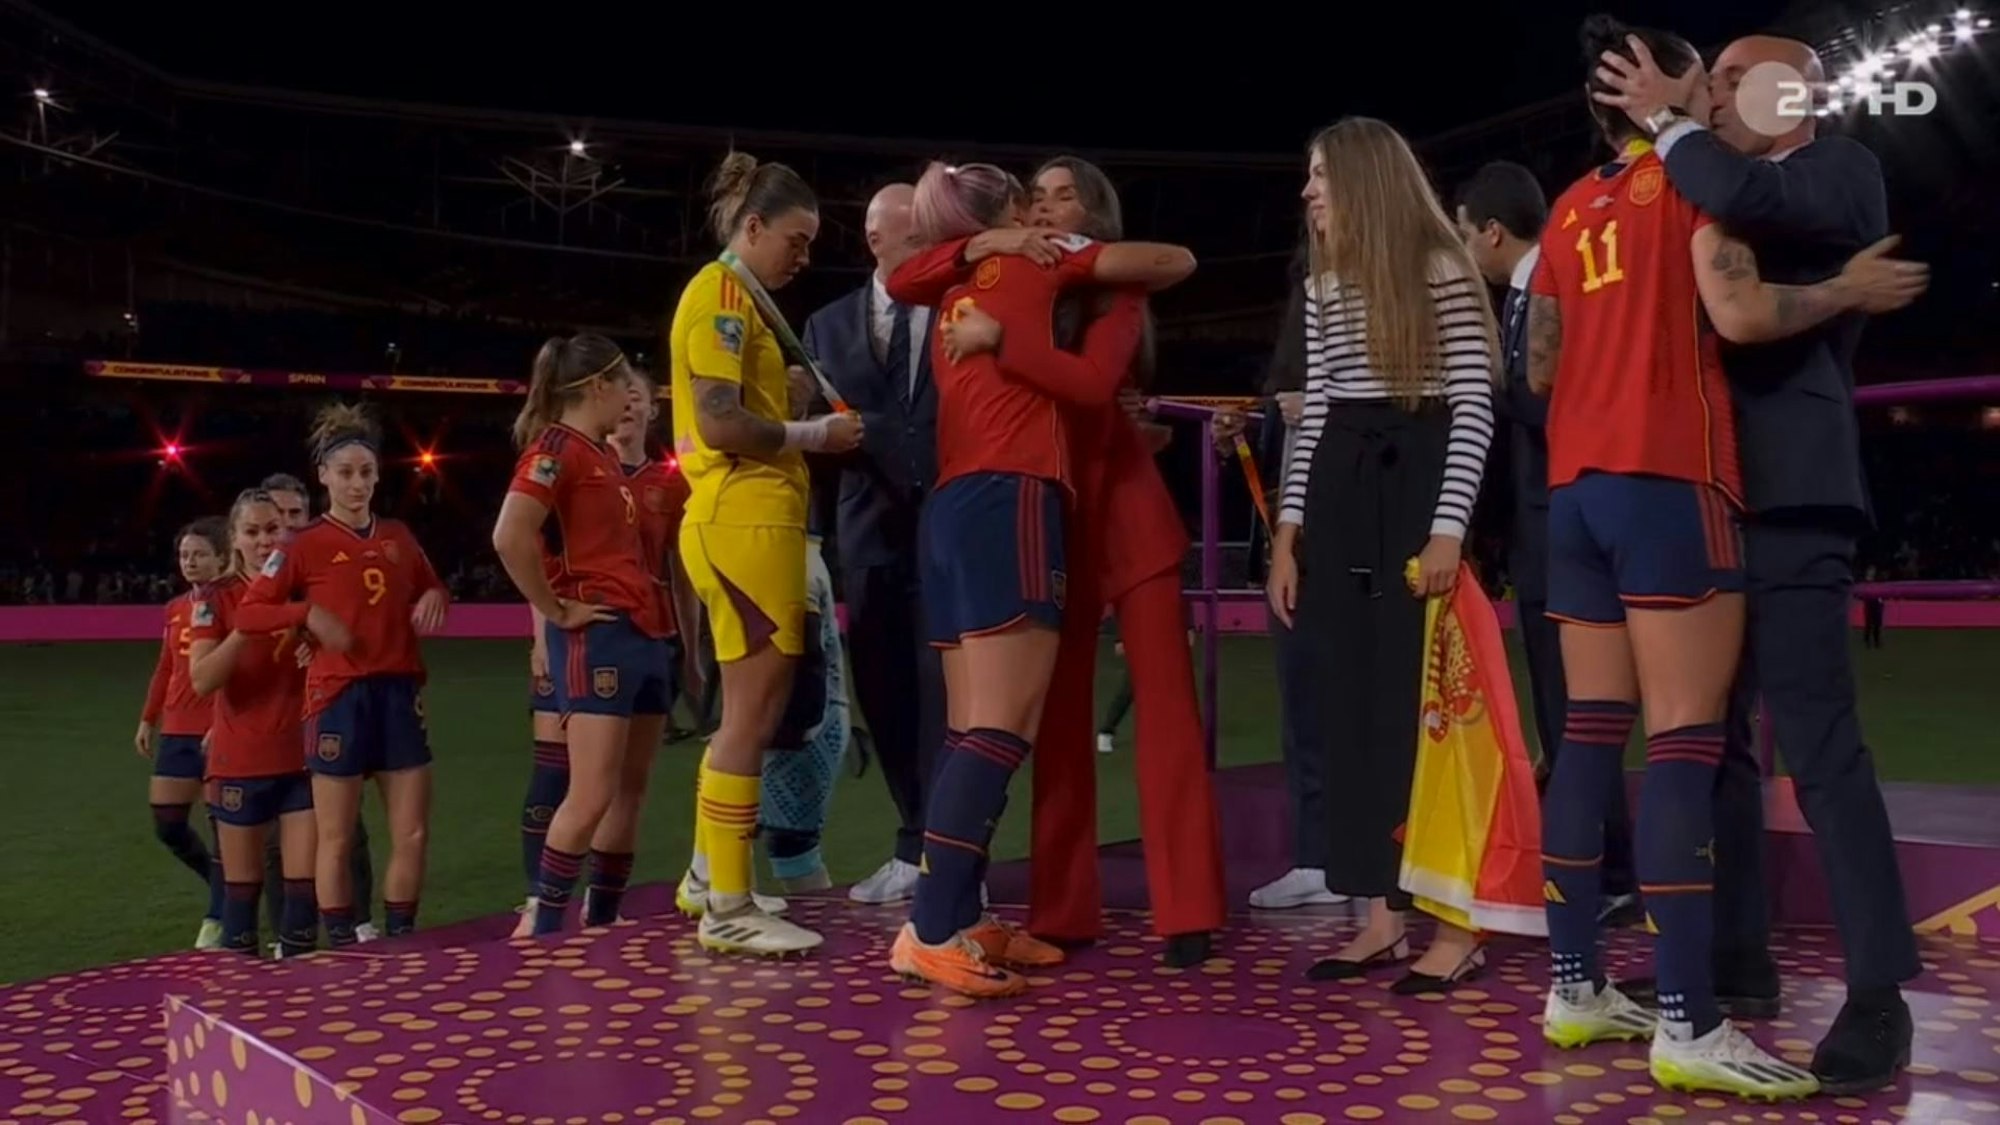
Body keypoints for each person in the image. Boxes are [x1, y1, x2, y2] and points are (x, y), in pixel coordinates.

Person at [1526, 15, 1924, 1099]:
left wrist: (1660, 121)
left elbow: (1744, 218)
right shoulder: (1678, 181)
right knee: (1706, 752)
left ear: (1804, 100)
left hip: (1782, 496)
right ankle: (1724, 965)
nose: (1719, 92)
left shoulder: (1830, 172)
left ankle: (1876, 993)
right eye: (1720, 76)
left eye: (1748, 78)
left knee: (1812, 740)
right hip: (1680, 490)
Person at [882, 160, 1196, 996]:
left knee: (967, 728)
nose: (1047, 208)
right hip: (1010, 495)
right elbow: (1176, 261)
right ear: (1017, 213)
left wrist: (978, 242)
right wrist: (1040, 245)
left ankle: (953, 913)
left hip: (952, 505)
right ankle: (933, 925)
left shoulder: (955, 279)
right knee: (1001, 728)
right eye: (1036, 198)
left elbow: (901, 270)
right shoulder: (1036, 260)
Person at [1263, 117, 1497, 993]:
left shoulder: (1440, 268)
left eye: (1320, 175)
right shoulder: (1328, 285)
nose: (1309, 191)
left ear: (1364, 179)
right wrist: (1290, 533)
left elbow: (1472, 406)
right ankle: (1377, 918)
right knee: (1348, 704)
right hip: (1338, 493)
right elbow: (1316, 406)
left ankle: (1452, 923)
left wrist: (1447, 530)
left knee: (1421, 711)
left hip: (1416, 484)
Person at [668, 152, 861, 957]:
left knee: (754, 709)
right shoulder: (718, 294)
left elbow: (738, 406)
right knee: (752, 711)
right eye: (796, 237)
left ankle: (710, 880)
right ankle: (729, 905)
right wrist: (814, 432)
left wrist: (788, 398)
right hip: (744, 519)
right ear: (752, 227)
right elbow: (718, 424)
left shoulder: (738, 299)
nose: (803, 255)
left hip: (756, 519)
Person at [1454, 160, 1640, 926]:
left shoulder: (1551, 286)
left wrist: (1477, 387)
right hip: (1543, 526)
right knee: (1563, 709)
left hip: (1564, 521)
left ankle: (1607, 870)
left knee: (1575, 708)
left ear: (1491, 232)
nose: (1465, 250)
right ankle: (1601, 866)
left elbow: (1550, 397)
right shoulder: (1528, 291)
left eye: (1465, 234)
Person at [237, 404, 450, 947]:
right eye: (345, 473)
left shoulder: (400, 535)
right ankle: (341, 945)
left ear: (378, 476)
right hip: (339, 697)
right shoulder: (300, 544)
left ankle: (401, 937)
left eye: (366, 473)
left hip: (400, 693)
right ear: (324, 476)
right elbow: (250, 613)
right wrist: (304, 613)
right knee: (333, 837)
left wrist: (432, 595)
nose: (357, 484)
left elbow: (433, 585)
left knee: (414, 833)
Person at [800, 183, 945, 908]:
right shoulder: (824, 327)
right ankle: (912, 835)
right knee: (885, 695)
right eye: (913, 239)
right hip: (868, 537)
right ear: (877, 240)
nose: (926, 251)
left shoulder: (957, 310)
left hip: (947, 530)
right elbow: (818, 444)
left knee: (944, 695)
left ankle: (941, 850)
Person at [494, 339, 667, 936]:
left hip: (642, 631)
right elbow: (510, 535)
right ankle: (541, 927)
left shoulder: (599, 457)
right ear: (597, 386)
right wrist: (554, 607)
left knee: (629, 793)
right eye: (623, 384)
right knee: (590, 792)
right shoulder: (554, 451)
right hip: (600, 636)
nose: (630, 396)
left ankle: (604, 919)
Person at [1216, 238, 1347, 912]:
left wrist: (1320, 409)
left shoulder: (1400, 309)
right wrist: (1256, 422)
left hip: (1362, 534)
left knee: (1366, 707)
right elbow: (1286, 430)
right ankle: (1318, 855)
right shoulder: (1299, 341)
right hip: (1296, 541)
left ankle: (1367, 857)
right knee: (1303, 702)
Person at [187, 489, 318, 959]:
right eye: (253, 531)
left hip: (300, 761)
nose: (266, 540)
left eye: (274, 529)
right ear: (236, 539)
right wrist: (247, 626)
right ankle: (238, 1017)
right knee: (241, 905)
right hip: (239, 764)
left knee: (303, 898)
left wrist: (317, 649)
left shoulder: (305, 591)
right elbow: (202, 679)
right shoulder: (214, 599)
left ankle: (302, 1019)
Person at [259, 471, 376, 944]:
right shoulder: (256, 581)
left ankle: (361, 924)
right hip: (272, 726)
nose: (285, 527)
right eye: (275, 518)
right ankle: (287, 937)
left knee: (346, 824)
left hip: (329, 710)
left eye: (294, 515)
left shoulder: (328, 569)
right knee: (274, 839)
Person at [135, 516, 228, 950]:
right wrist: (147, 718)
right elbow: (167, 667)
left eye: (199, 554)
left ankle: (219, 915)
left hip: (218, 732)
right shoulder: (175, 608)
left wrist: (224, 721)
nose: (190, 562)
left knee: (222, 828)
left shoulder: (234, 604)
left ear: (221, 558)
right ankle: (222, 885)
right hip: (176, 730)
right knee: (168, 824)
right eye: (185, 555)